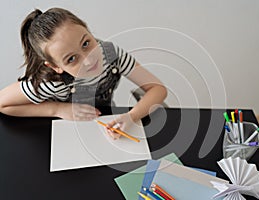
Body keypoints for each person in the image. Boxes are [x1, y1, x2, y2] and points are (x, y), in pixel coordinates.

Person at [0, 8, 167, 139]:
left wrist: (132, 117)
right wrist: (57, 109)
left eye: (86, 43)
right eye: (71, 59)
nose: (89, 61)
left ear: (88, 30)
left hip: (102, 122)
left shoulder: (112, 55)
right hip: (61, 134)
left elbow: (158, 89)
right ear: (55, 66)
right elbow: (2, 103)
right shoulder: (51, 82)